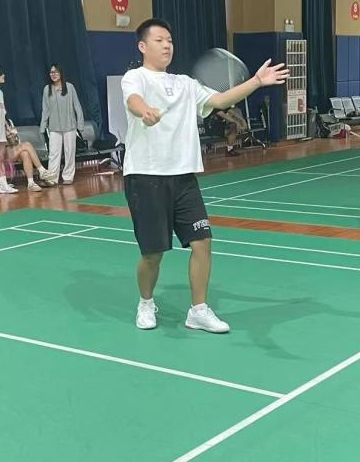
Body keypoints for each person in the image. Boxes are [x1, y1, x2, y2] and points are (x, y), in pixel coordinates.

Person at [121, 18, 287, 332]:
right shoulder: (135, 77)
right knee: (153, 254)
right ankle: (145, 302)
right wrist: (145, 111)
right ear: (143, 46)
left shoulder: (186, 84)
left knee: (202, 241)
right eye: (159, 40)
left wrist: (256, 81)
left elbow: (220, 100)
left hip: (184, 177)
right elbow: (133, 101)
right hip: (146, 176)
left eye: (170, 40)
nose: (167, 45)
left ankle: (198, 310)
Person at [0, 64, 56, 197]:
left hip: (0, 132)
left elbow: (2, 114)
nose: (4, 76)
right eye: (1, 73)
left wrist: (7, 127)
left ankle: (3, 186)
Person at [40, 64, 86, 185]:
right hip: (54, 127)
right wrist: (42, 127)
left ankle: (68, 176)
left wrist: (80, 124)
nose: (53, 74)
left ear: (61, 73)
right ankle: (52, 178)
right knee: (53, 154)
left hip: (70, 126)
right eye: (51, 72)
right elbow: (45, 109)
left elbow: (77, 106)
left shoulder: (69, 87)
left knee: (69, 152)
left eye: (56, 72)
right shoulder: (47, 89)